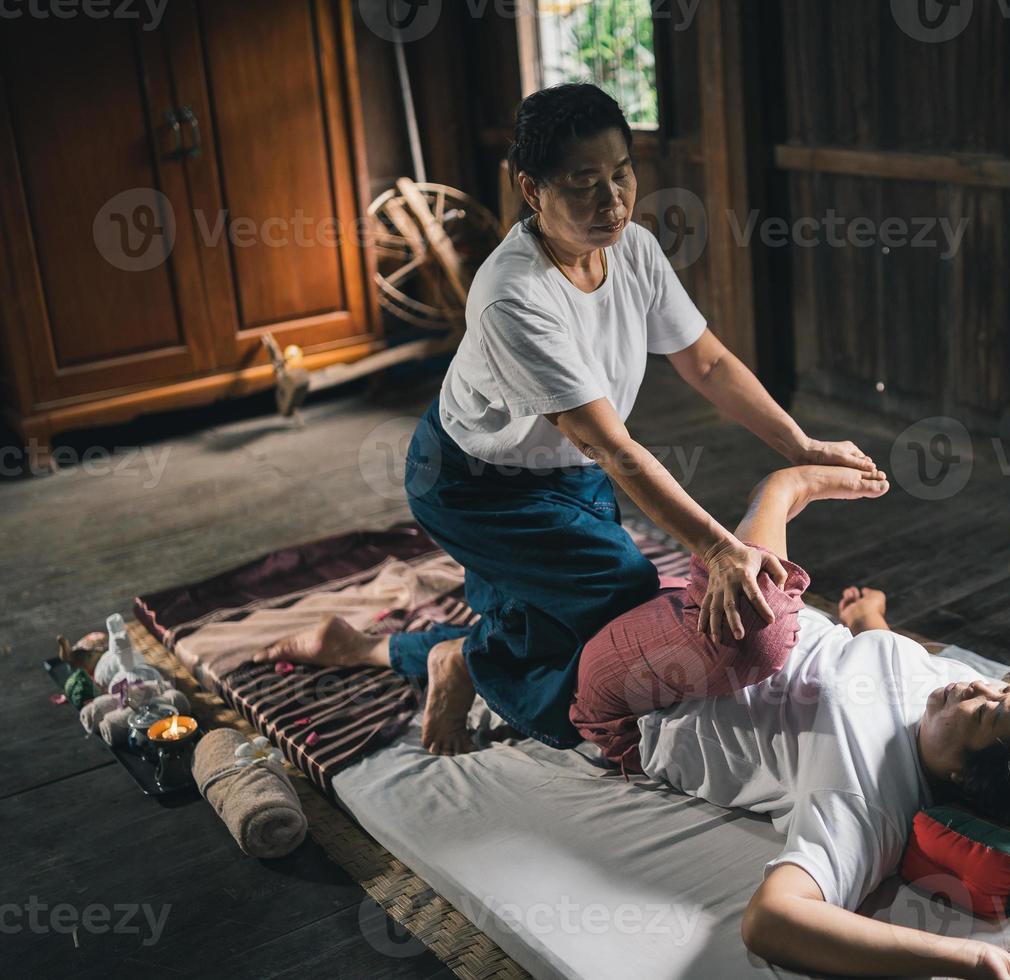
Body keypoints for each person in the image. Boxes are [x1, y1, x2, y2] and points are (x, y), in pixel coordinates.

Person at [253, 83, 876, 754]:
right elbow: (611, 445)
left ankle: (409, 652)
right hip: (475, 484)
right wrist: (719, 549)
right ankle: (462, 662)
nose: (611, 200)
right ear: (532, 190)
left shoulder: (632, 248)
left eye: (621, 174)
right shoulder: (513, 296)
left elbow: (709, 364)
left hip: (567, 472)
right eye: (584, 184)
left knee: (546, 614)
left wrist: (801, 444)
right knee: (618, 595)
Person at [569, 464, 1010, 980]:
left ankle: (781, 488)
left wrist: (965, 956)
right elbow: (906, 659)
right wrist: (870, 622)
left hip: (640, 699)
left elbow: (772, 921)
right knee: (763, 625)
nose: (978, 686)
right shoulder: (948, 694)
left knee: (758, 639)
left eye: (989, 710)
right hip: (693, 617)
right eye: (1005, 688)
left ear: (964, 775)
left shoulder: (866, 801)